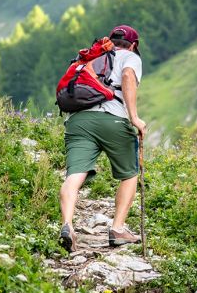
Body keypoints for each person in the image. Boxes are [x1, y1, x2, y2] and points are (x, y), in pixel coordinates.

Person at [58, 25, 147, 252]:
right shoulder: (130, 57)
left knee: (74, 174)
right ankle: (117, 229)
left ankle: (67, 224)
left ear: (111, 40)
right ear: (134, 44)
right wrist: (134, 117)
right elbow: (127, 76)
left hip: (79, 120)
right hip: (112, 119)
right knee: (129, 173)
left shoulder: (94, 56)